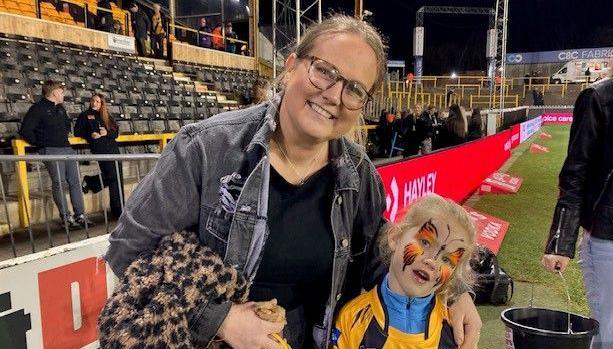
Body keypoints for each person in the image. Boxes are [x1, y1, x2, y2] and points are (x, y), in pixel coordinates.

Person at [104, 15, 481, 349]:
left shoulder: (358, 174)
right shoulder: (205, 148)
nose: (333, 95)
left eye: (354, 89)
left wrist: (454, 292)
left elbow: (378, 254)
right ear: (290, 67)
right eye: (325, 71)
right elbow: (127, 250)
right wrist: (222, 321)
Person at [542, 20, 613, 349]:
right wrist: (561, 242)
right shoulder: (600, 98)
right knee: (610, 336)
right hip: (609, 240)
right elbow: (575, 173)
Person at [332, 194, 476, 348]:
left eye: (447, 259)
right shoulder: (353, 317)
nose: (433, 261)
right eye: (425, 242)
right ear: (395, 237)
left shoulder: (455, 327)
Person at [19, 80, 92, 230]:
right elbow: (26, 130)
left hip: (67, 148)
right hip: (50, 150)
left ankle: (81, 215)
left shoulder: (60, 109)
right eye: (61, 91)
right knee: (59, 183)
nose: (63, 94)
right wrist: (42, 144)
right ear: (54, 93)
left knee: (75, 182)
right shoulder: (37, 109)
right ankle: (66, 218)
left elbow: (66, 127)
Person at [74, 94, 124, 219]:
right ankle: (118, 210)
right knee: (112, 176)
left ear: (102, 104)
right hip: (100, 149)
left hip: (113, 149)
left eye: (97, 101)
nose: (94, 103)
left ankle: (120, 207)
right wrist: (90, 134)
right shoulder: (85, 115)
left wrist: (107, 132)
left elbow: (116, 132)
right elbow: (77, 131)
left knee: (117, 177)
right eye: (93, 101)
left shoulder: (107, 116)